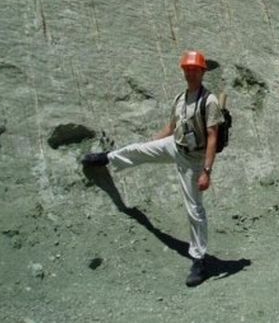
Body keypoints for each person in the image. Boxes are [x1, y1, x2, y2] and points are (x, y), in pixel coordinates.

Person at [82, 50, 224, 287]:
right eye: (187, 69)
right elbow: (171, 127)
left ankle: (199, 260)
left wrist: (206, 172)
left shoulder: (208, 101)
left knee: (194, 209)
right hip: (175, 145)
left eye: (194, 70)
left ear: (202, 72)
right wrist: (150, 145)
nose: (190, 73)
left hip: (194, 160)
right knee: (137, 149)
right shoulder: (180, 98)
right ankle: (107, 158)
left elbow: (212, 136)